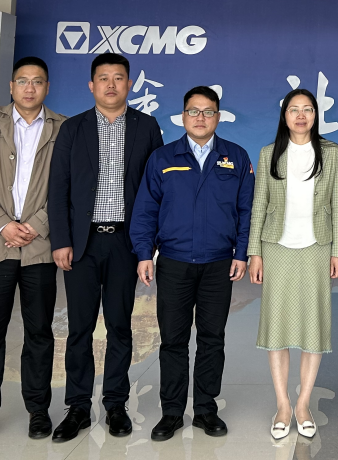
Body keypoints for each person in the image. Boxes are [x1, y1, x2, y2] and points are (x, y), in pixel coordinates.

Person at [47, 52, 164, 441]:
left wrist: (147, 246)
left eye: (118, 78)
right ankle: (78, 406)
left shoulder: (146, 127)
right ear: (91, 85)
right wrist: (61, 240)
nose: (111, 84)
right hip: (82, 244)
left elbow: (156, 189)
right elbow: (58, 187)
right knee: (79, 328)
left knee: (119, 325)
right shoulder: (73, 128)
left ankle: (115, 404)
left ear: (129, 84)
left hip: (125, 244)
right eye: (103, 78)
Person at [130, 86, 253, 441]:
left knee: (212, 338)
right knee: (173, 340)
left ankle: (205, 410)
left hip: (218, 264)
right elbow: (146, 210)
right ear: (183, 116)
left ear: (218, 116)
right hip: (174, 262)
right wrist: (144, 253)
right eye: (193, 111)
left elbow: (247, 211)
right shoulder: (163, 158)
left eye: (208, 111)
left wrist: (241, 253)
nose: (201, 118)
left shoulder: (236, 157)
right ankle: (171, 412)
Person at [0, 57, 65, 445]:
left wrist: (37, 225)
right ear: (11, 86)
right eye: (23, 81)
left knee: (39, 331)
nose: (29, 88)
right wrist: (3, 224)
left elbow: (65, 185)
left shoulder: (63, 128)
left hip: (39, 246)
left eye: (37, 82)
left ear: (47, 87)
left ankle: (38, 410)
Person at [247, 89, 338, 440]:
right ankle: (283, 405)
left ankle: (303, 404)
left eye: (307, 109)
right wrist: (255, 252)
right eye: (294, 109)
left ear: (315, 115)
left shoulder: (332, 153)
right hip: (276, 247)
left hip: (317, 246)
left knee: (313, 327)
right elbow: (259, 204)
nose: (301, 116)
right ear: (284, 115)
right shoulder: (269, 153)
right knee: (277, 328)